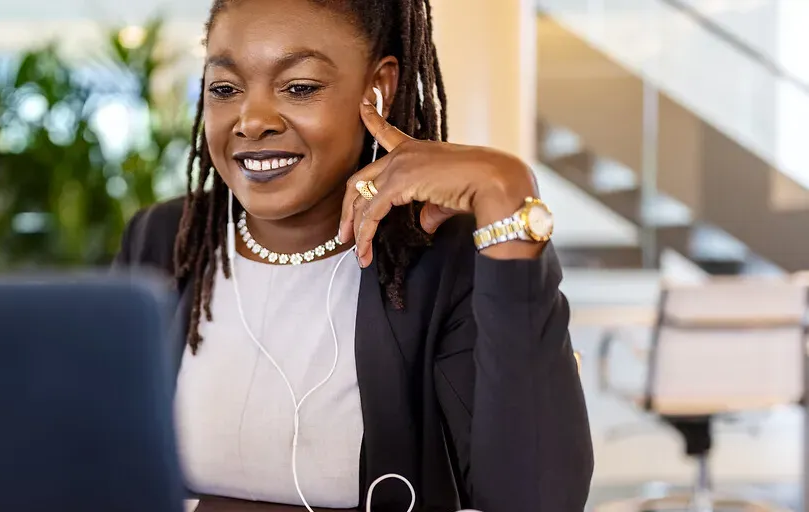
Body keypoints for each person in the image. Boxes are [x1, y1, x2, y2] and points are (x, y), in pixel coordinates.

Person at [114, 0, 594, 510]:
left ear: (378, 88)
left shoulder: (445, 259)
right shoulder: (166, 239)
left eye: (299, 87)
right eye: (225, 89)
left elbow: (539, 498)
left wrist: (506, 192)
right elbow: (98, 456)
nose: (252, 121)